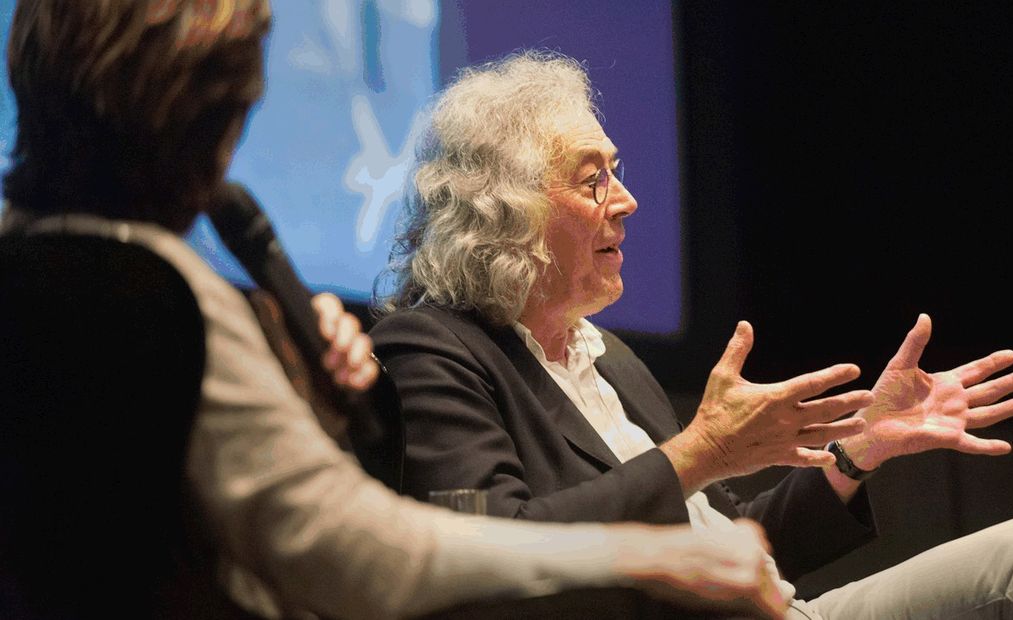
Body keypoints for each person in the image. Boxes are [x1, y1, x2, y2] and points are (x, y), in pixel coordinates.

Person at [0, 2, 805, 618]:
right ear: (213, 124)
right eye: (592, 179)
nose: (625, 203)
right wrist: (630, 555)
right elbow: (358, 553)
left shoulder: (41, 264)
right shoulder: (161, 298)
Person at [370, 50, 1013, 618]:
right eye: (592, 179)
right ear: (507, 209)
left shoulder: (609, 359)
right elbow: (494, 558)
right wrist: (700, 451)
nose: (625, 200)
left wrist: (857, 452)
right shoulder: (435, 349)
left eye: (616, 172)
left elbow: (734, 542)